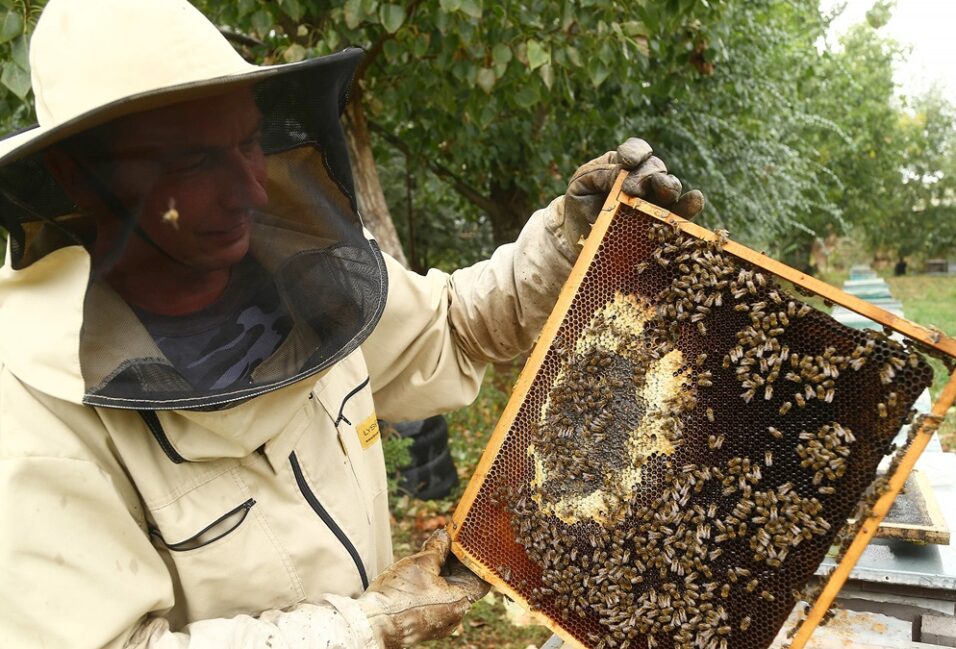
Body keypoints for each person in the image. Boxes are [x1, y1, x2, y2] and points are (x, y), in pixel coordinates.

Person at [0, 1, 704, 648]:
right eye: (194, 160)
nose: (248, 188)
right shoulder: (30, 412)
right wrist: (368, 624)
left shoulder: (302, 274)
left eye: (248, 142)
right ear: (76, 175)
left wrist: (570, 240)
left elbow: (451, 328)